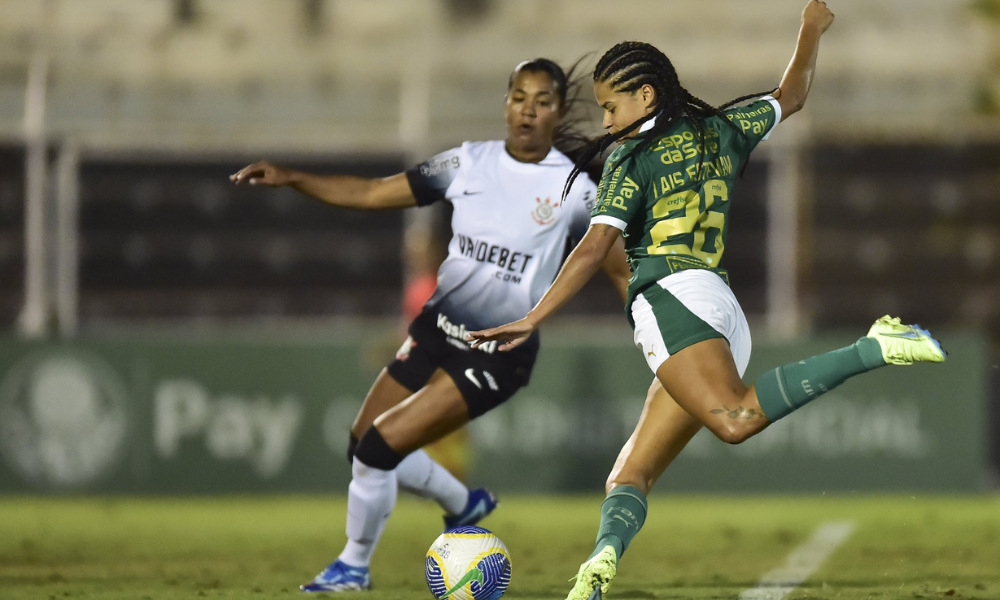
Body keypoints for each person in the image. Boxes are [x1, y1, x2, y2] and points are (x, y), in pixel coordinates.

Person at [467, 3, 946, 599]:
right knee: (631, 472)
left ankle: (872, 348)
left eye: (612, 105)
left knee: (736, 420)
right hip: (719, 308)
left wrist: (533, 316)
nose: (608, 119)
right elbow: (791, 94)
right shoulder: (722, 127)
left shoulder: (630, 158)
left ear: (645, 96)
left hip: (671, 301)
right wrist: (810, 28)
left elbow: (594, 251)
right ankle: (598, 568)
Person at [230, 58, 631, 593]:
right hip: (436, 331)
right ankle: (463, 503)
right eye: (518, 97)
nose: (527, 111)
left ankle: (353, 567)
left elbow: (617, 265)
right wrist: (295, 177)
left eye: (542, 101)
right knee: (362, 445)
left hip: (497, 350)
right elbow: (374, 193)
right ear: (506, 102)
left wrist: (655, 334)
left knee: (379, 447)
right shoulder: (468, 163)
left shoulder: (576, 189)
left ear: (559, 112)